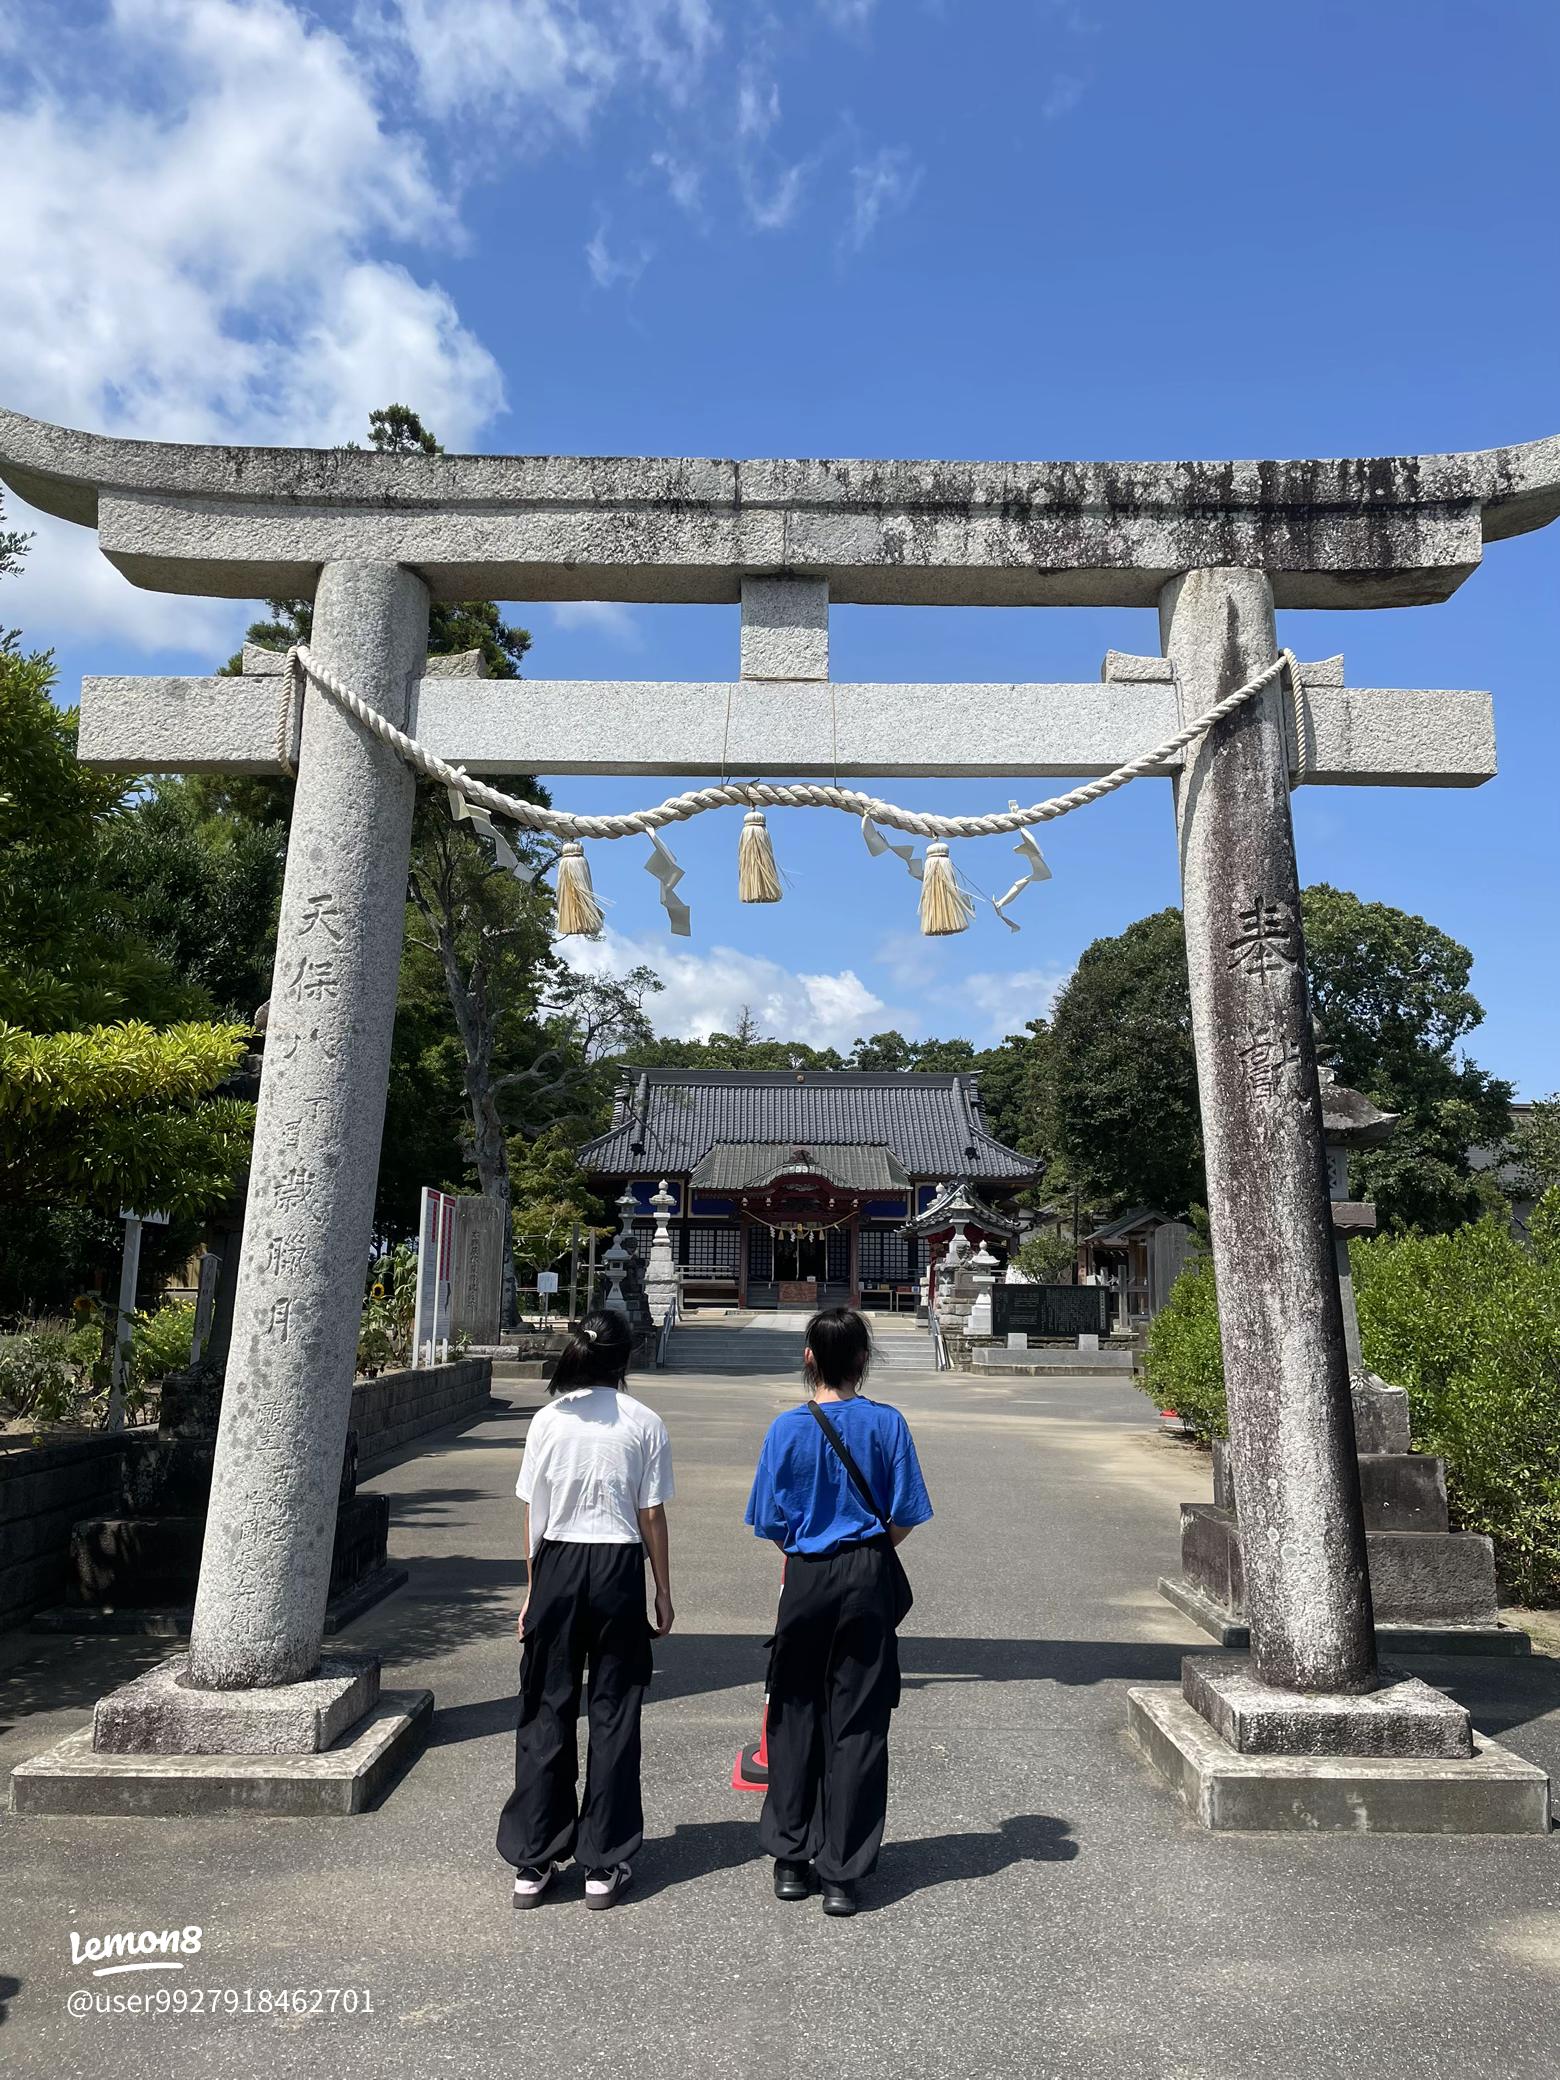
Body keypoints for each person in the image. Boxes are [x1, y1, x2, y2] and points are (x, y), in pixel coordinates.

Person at [744, 1305, 933, 1916]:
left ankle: (791, 1859)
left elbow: (770, 1521)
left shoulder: (786, 1430)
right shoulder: (888, 1424)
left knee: (794, 1710)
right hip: (868, 1571)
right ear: (861, 1360)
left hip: (806, 1575)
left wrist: (808, 1553)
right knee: (858, 1719)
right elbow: (905, 1513)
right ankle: (843, 1874)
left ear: (808, 1359)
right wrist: (869, 1552)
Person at [495, 1308, 674, 1912]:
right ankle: (604, 1859)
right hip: (619, 1567)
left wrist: (531, 1591)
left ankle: (535, 1858)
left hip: (559, 1565)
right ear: (626, 1359)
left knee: (547, 1705)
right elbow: (651, 1513)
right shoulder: (644, 1422)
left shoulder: (549, 1420)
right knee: (615, 1709)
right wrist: (663, 1589)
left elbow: (534, 1513)